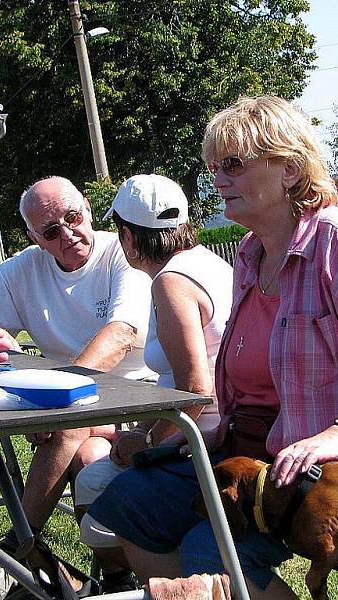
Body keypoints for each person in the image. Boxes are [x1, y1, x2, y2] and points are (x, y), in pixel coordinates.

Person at [87, 96, 338, 599]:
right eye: (213, 167)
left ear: (291, 170)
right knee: (131, 502)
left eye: (233, 165)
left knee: (209, 554)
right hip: (257, 458)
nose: (217, 180)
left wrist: (336, 436)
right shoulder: (252, 257)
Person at [0, 176, 154, 600]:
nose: (68, 233)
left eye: (73, 217)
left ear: (87, 209)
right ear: (34, 238)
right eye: (51, 230)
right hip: (80, 419)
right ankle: (114, 580)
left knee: (72, 432)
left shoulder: (122, 252)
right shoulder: (23, 269)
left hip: (144, 405)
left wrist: (55, 398)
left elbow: (121, 334)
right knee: (88, 454)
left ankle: (12, 555)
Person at [74, 174, 233, 591]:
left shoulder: (171, 282)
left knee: (93, 495)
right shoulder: (210, 263)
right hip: (217, 431)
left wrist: (146, 444)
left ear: (127, 237)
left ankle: (165, 585)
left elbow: (197, 389)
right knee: (98, 477)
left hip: (200, 442)